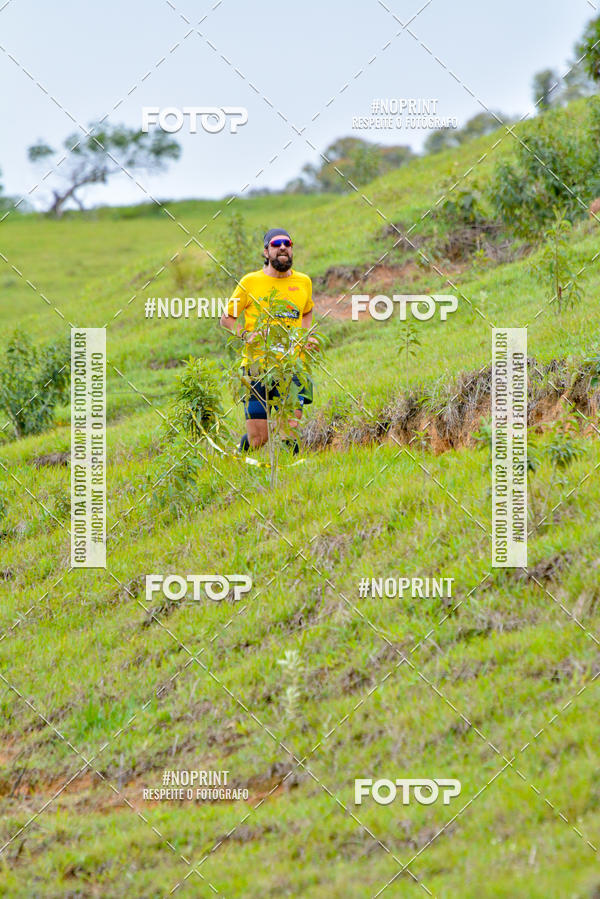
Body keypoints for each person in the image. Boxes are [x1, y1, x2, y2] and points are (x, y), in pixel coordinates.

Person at [219, 227, 317, 454]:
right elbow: (227, 319)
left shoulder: (304, 282)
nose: (282, 247)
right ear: (266, 252)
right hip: (257, 368)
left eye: (287, 243)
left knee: (290, 430)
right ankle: (239, 459)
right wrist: (246, 335)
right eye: (276, 244)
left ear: (292, 250)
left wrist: (306, 334)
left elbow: (307, 311)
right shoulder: (250, 282)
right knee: (258, 439)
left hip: (293, 367)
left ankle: (291, 481)